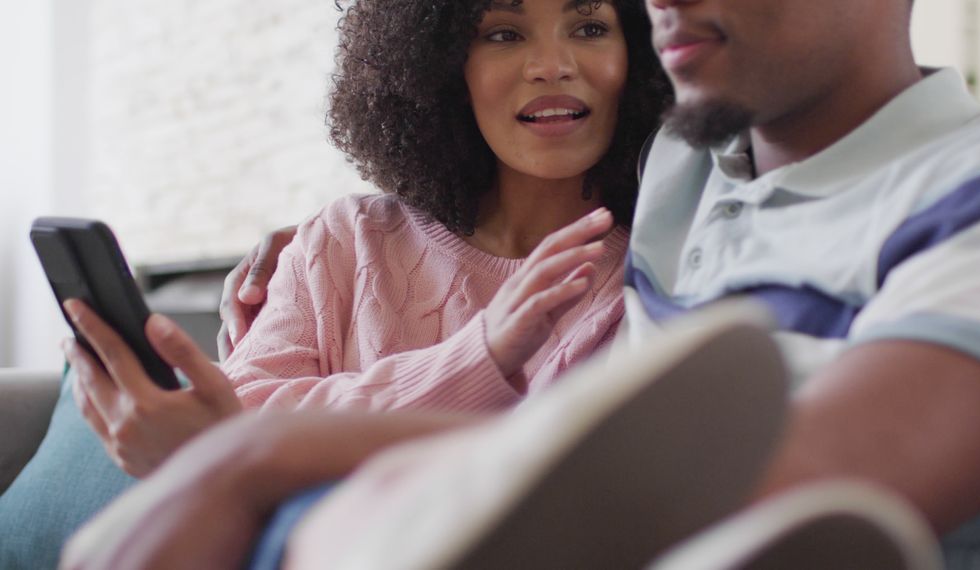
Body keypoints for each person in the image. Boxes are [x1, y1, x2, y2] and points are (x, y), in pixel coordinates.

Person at [63, 0, 980, 567]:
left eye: (589, 29)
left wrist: (269, 450)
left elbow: (794, 487)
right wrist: (346, 234)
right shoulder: (680, 176)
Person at [61, 0, 670, 477]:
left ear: (641, 53)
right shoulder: (345, 238)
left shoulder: (658, 272)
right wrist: (477, 358)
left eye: (590, 27)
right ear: (442, 66)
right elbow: (233, 426)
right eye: (503, 33)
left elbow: (563, 487)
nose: (552, 65)